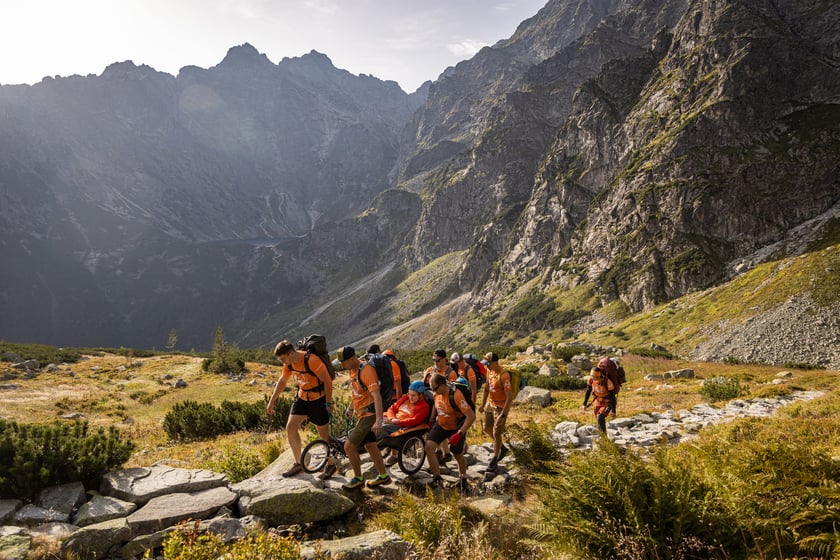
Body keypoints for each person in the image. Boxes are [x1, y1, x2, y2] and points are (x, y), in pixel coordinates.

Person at [267, 339, 335, 479]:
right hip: (302, 397)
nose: (282, 362)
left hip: (318, 400)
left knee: (323, 435)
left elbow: (327, 381)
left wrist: (328, 403)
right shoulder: (290, 364)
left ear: (291, 353)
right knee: (290, 427)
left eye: (283, 359)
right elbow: (282, 381)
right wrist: (272, 401)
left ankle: (331, 464)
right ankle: (299, 463)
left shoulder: (312, 360)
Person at [335, 346, 392, 490]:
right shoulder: (352, 370)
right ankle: (383, 477)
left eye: (344, 362)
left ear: (352, 359)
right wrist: (351, 408)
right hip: (363, 413)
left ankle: (358, 479)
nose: (342, 365)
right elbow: (358, 392)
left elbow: (376, 396)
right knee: (370, 445)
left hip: (370, 415)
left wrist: (379, 420)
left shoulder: (366, 370)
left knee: (349, 446)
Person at [424, 373, 476, 492]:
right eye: (431, 389)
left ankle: (463, 479)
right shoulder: (437, 392)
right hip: (442, 424)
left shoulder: (456, 395)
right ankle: (437, 477)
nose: (434, 392)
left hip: (456, 428)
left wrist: (459, 434)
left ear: (442, 385)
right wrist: (431, 420)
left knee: (457, 453)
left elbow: (471, 416)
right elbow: (435, 405)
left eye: (435, 389)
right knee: (429, 447)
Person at [478, 352, 511, 471]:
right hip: (490, 404)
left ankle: (495, 459)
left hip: (501, 406)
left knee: (497, 433)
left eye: (489, 364)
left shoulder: (504, 375)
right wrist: (482, 404)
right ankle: (501, 447)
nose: (487, 366)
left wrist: (503, 414)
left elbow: (509, 397)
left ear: (496, 362)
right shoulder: (490, 372)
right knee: (487, 428)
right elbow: (487, 389)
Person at [581, 365, 616, 432]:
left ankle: (604, 438)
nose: (594, 379)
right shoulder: (590, 380)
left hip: (608, 401)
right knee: (598, 417)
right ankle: (602, 435)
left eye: (596, 377)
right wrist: (584, 404)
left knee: (600, 417)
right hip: (598, 400)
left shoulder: (607, 382)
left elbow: (613, 396)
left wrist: (613, 410)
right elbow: (588, 391)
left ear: (600, 376)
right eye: (592, 376)